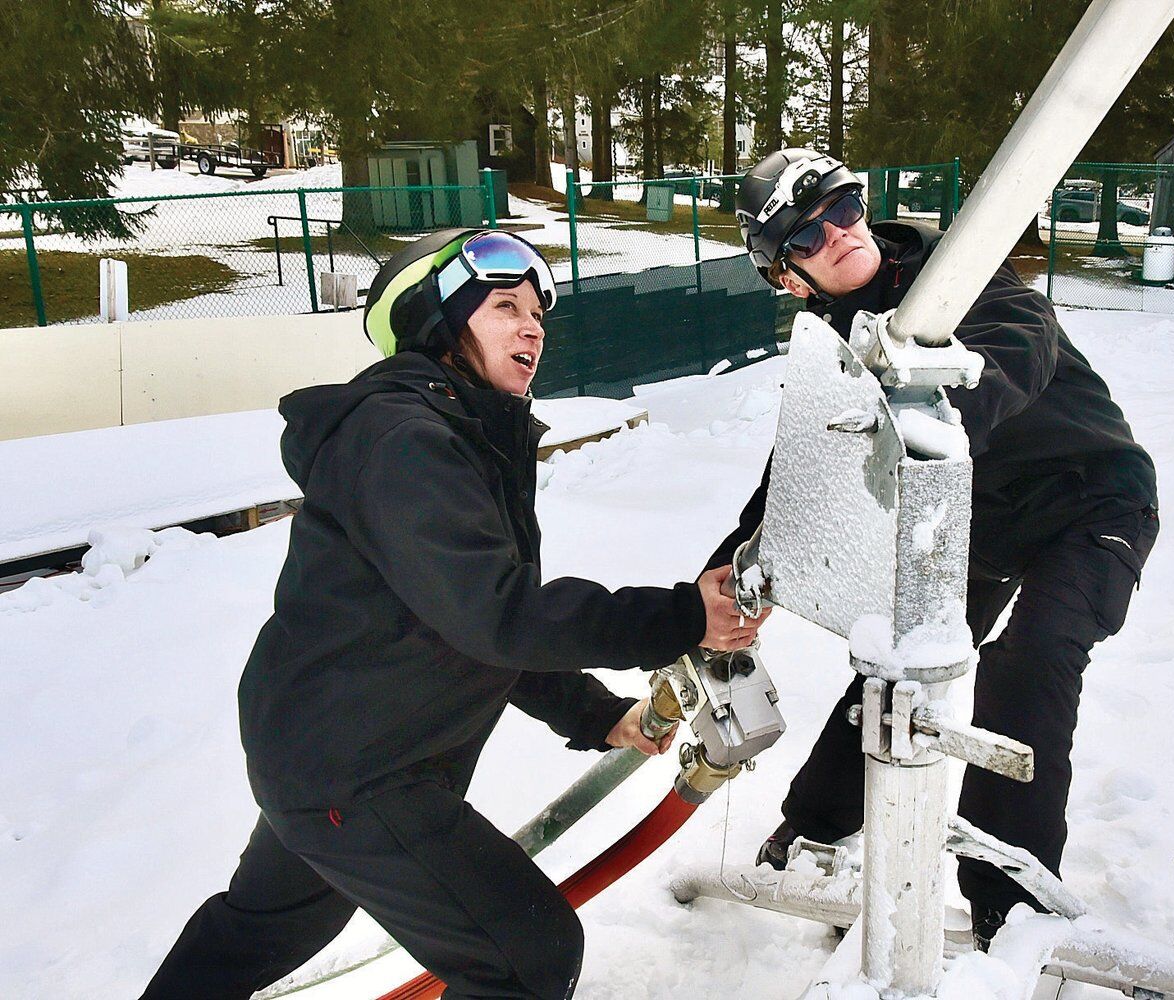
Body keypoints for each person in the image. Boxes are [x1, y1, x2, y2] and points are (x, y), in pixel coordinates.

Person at [139, 229, 767, 1000]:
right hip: (361, 769)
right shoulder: (404, 439)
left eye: (538, 311)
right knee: (526, 952)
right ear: (440, 325)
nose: (533, 325)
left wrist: (595, 715)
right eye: (505, 306)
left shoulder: (459, 436)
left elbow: (463, 622)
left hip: (332, 749)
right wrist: (679, 617)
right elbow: (495, 615)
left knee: (261, 930)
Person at [708, 150, 1159, 948]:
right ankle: (815, 825)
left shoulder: (953, 273)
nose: (837, 235)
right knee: (894, 660)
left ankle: (1008, 899)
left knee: (1032, 658)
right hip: (977, 523)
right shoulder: (835, 346)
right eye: (806, 239)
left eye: (844, 208)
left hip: (1091, 498)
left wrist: (937, 413)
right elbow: (800, 472)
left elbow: (1023, 342)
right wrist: (730, 574)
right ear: (788, 278)